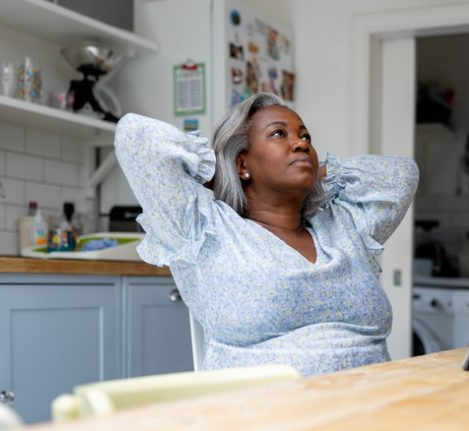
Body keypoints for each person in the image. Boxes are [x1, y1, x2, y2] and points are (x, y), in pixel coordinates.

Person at [115, 93, 419, 376]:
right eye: (278, 134)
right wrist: (221, 171)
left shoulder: (343, 227)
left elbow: (402, 174)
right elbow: (136, 135)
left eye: (305, 137)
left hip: (372, 408)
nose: (300, 144)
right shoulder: (205, 227)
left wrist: (314, 172)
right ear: (243, 163)